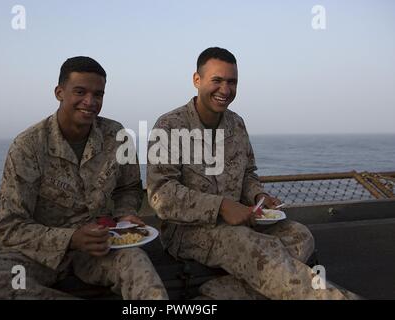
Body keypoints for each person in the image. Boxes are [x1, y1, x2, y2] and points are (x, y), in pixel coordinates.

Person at [147, 47, 359, 300]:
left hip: (241, 220)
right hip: (187, 231)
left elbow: (248, 173)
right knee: (253, 246)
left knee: (300, 235)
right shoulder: (169, 125)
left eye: (232, 82)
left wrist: (258, 195)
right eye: (217, 80)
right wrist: (221, 206)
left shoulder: (236, 124)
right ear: (197, 80)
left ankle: (224, 292)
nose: (225, 90)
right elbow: (162, 193)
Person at [0, 56, 168, 300]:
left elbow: (129, 187)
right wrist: (71, 238)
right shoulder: (28, 146)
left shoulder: (116, 135)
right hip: (40, 253)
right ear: (59, 92)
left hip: (102, 246)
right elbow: (10, 229)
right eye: (80, 92)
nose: (90, 102)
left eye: (98, 95)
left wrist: (124, 214)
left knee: (140, 271)